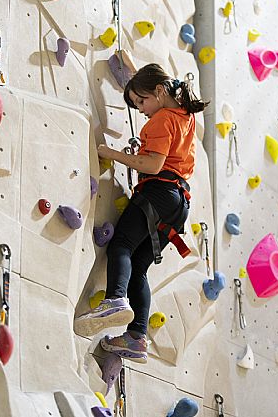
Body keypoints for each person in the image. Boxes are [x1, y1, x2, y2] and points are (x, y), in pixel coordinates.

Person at [74, 63, 209, 363]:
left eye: (141, 102)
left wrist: (113, 154)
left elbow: (152, 166)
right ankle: (137, 337)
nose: (141, 111)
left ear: (159, 92)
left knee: (121, 243)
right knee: (139, 266)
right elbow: (157, 85)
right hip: (177, 205)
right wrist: (136, 75)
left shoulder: (161, 119)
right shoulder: (183, 115)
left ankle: (114, 300)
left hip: (159, 192)